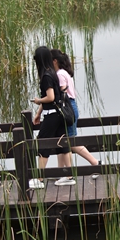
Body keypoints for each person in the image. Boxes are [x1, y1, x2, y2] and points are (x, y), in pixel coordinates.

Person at [51, 49, 102, 180]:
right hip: (70, 106)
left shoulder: (61, 74)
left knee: (71, 141)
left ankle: (95, 163)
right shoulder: (64, 73)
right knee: (63, 141)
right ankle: (62, 172)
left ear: (54, 61)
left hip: (67, 108)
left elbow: (61, 94)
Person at [31, 46, 72, 189]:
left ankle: (39, 179)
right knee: (62, 144)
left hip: (52, 115)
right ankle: (68, 176)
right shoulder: (53, 73)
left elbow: (50, 97)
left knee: (42, 144)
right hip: (60, 114)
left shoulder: (46, 77)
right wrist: (38, 113)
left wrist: (38, 101)